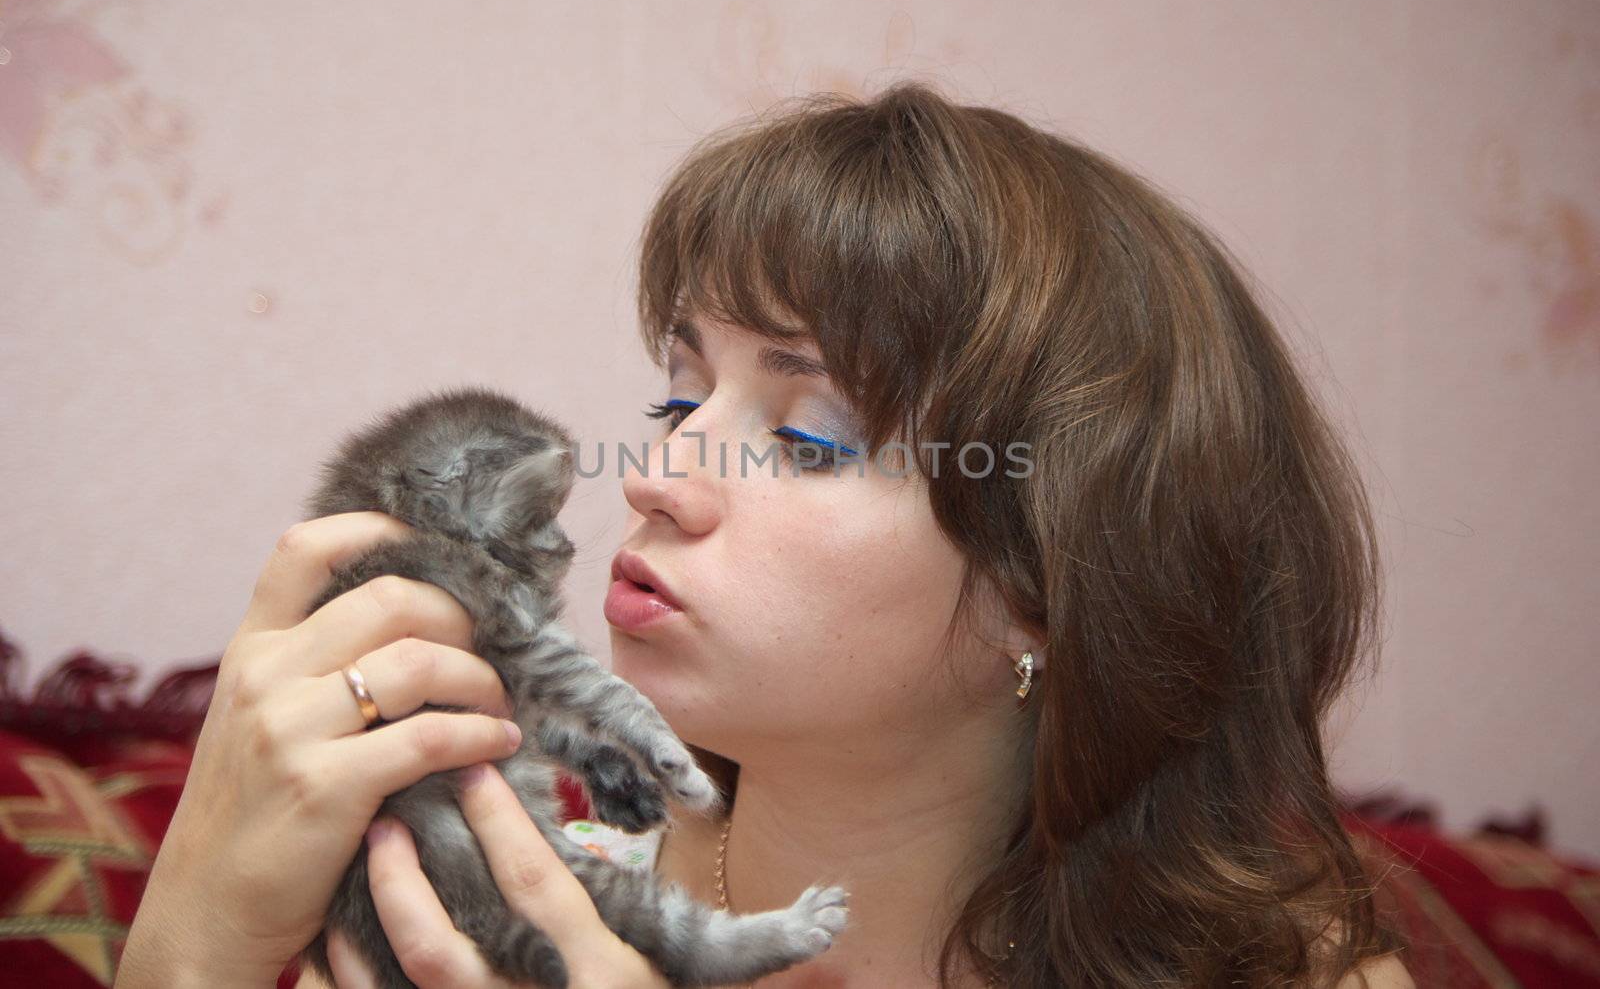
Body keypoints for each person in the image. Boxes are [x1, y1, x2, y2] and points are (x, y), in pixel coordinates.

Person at [117, 81, 1415, 988]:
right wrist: (196, 939)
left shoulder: (1299, 974)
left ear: (1049, 586)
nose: (661, 474)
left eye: (810, 438)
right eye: (678, 397)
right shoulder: (477, 920)